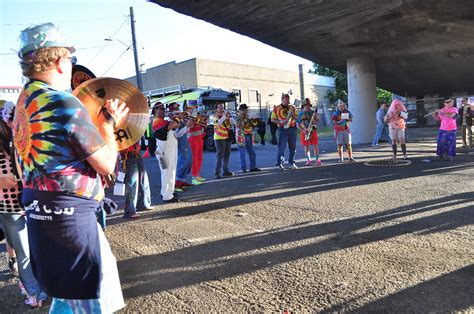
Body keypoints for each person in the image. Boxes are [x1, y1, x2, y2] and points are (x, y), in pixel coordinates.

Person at [13, 23, 125, 312]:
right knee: (87, 297)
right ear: (61, 61)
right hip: (70, 219)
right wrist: (107, 124)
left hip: (40, 213)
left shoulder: (24, 101)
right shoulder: (62, 102)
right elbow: (106, 163)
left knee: (66, 293)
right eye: (70, 60)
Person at [0, 100, 47, 308]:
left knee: (35, 249)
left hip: (30, 203)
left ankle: (36, 286)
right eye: (11, 120)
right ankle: (34, 292)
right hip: (9, 209)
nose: (14, 124)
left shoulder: (21, 142)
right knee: (25, 253)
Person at [152, 102, 180, 202]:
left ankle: (168, 192)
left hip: (168, 151)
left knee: (170, 172)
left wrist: (174, 118)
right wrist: (177, 118)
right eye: (161, 109)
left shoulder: (162, 121)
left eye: (164, 109)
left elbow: (176, 126)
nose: (164, 110)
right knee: (168, 172)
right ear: (155, 110)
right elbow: (172, 125)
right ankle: (167, 196)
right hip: (164, 152)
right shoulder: (157, 121)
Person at [118, 140, 152, 219]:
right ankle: (129, 211)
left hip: (137, 153)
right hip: (127, 155)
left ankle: (143, 204)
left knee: (143, 179)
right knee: (132, 183)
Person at [271, 94, 298, 170]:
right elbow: (272, 119)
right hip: (283, 128)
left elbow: (297, 117)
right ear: (282, 99)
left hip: (292, 127)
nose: (287, 101)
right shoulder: (276, 108)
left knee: (293, 147)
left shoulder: (292, 108)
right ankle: (280, 163)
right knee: (281, 147)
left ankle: (291, 163)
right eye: (285, 100)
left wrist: (292, 115)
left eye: (288, 99)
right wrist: (281, 121)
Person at [170, 103, 194, 189]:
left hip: (185, 142)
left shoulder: (180, 120)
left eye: (179, 112)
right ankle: (177, 183)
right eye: (176, 113)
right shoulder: (172, 122)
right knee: (183, 162)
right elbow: (176, 135)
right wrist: (187, 126)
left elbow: (184, 130)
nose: (179, 114)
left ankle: (182, 180)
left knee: (189, 161)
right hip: (179, 143)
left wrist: (188, 125)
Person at [235, 104, 260, 173]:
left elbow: (253, 125)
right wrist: (245, 119)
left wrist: (254, 120)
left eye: (246, 110)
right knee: (242, 153)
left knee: (252, 152)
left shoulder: (248, 117)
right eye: (244, 110)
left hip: (249, 135)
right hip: (241, 137)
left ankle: (253, 167)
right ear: (240, 110)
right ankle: (243, 168)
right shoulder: (238, 118)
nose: (246, 111)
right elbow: (239, 126)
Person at [297, 98, 322, 166]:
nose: (307, 106)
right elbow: (298, 124)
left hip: (313, 131)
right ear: (303, 106)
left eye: (308, 105)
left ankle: (317, 159)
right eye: (305, 105)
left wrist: (315, 121)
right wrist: (303, 130)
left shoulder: (313, 112)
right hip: (304, 131)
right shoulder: (301, 114)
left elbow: (317, 121)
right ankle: (308, 160)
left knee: (315, 145)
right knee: (306, 146)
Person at [213, 103, 235, 179]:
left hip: (227, 137)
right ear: (216, 109)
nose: (222, 109)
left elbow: (233, 122)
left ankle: (225, 171)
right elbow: (218, 123)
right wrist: (225, 116)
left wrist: (230, 117)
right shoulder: (215, 117)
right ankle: (217, 173)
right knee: (220, 156)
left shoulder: (225, 116)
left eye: (222, 107)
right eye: (220, 107)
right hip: (219, 138)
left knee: (227, 155)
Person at [187, 111, 207, 185]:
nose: (199, 115)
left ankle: (197, 175)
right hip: (193, 139)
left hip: (199, 138)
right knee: (194, 158)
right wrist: (195, 119)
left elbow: (204, 127)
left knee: (199, 158)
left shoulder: (197, 119)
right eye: (197, 114)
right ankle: (194, 177)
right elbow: (189, 127)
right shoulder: (189, 119)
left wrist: (203, 121)